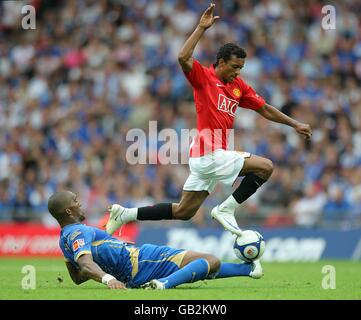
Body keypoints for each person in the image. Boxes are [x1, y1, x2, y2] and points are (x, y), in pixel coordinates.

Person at [105, 3, 312, 237]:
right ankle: (226, 210)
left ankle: (125, 214)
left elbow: (264, 109)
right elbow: (182, 57)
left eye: (241, 67)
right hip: (208, 153)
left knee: (184, 211)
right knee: (266, 167)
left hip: (210, 156)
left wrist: (294, 123)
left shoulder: (238, 86)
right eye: (235, 66)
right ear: (221, 62)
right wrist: (201, 28)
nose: (238, 72)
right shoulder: (204, 77)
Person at [48, 190, 263, 290]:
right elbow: (85, 265)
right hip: (140, 259)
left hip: (132, 275)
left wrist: (109, 256)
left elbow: (78, 277)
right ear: (68, 210)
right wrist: (108, 279)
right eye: (76, 201)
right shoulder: (78, 232)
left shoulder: (64, 239)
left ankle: (247, 270)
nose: (80, 204)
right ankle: (162, 285)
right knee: (211, 260)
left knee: (193, 268)